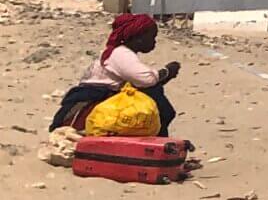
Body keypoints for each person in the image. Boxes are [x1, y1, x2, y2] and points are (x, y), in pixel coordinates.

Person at [51, 13, 180, 134]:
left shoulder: (119, 53)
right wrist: (167, 71)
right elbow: (146, 79)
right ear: (138, 38)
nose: (154, 42)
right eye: (151, 37)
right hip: (94, 101)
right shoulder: (121, 54)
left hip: (102, 96)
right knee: (154, 96)